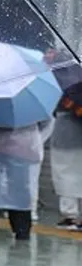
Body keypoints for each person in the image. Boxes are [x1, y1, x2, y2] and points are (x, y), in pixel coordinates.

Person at [0, 118, 51, 241]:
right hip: (25, 147)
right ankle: (21, 228)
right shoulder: (33, 106)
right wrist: (35, 141)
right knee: (20, 190)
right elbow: (47, 124)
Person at [53, 56, 82, 230]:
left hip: (66, 139)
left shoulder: (70, 89)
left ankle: (70, 216)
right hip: (72, 135)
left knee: (65, 174)